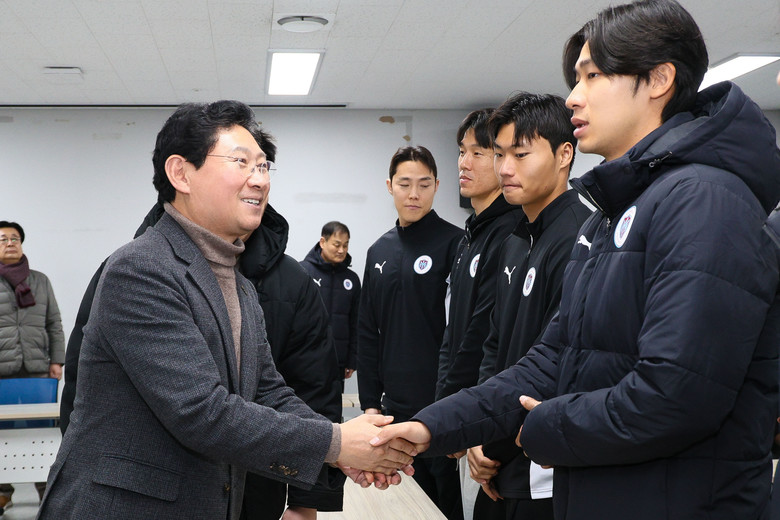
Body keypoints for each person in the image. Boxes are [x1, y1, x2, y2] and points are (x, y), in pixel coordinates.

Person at [372, 1, 780, 518]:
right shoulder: (615, 213)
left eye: (592, 76)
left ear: (658, 79)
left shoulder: (704, 200)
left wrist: (541, 427)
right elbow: (552, 358)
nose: (573, 96)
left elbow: (676, 394)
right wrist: (431, 426)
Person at [39, 100, 416, 520]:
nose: (260, 179)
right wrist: (337, 443)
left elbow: (268, 392)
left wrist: (344, 446)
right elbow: (200, 411)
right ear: (181, 173)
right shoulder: (142, 268)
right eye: (241, 162)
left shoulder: (238, 283)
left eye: (264, 166)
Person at [468, 93, 591, 520]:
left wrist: (495, 442)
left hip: (542, 472)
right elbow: (494, 345)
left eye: (520, 155)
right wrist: (479, 432)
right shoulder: (516, 239)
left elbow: (560, 366)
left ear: (564, 155)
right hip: (496, 457)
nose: (505, 168)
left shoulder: (581, 238)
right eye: (499, 154)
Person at [358, 145, 464, 519]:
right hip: (394, 408)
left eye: (423, 184)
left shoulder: (456, 244)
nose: (414, 194)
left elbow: (463, 332)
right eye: (404, 184)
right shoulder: (378, 251)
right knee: (401, 505)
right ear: (390, 186)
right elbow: (367, 331)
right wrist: (370, 403)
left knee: (444, 505)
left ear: (437, 186)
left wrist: (455, 401)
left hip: (439, 404)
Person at [435, 108, 523, 520]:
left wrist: (460, 414)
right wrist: (444, 405)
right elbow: (452, 333)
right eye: (461, 151)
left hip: (486, 415)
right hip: (464, 409)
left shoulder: (510, 232)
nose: (464, 163)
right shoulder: (471, 235)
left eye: (478, 153)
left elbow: (482, 335)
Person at [0, 221, 65, 514]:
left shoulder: (40, 280)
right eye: (3, 239)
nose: (10, 243)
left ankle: (45, 490)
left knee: (42, 430)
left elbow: (54, 323)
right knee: (2, 432)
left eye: (15, 238)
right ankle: (3, 492)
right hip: (2, 371)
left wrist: (57, 361)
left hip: (38, 368)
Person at [300, 221, 361, 387]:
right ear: (323, 242)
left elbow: (356, 322)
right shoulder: (302, 272)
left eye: (345, 245)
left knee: (334, 403)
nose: (341, 250)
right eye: (337, 244)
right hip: (306, 360)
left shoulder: (352, 279)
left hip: (338, 362)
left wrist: (352, 359)